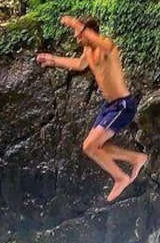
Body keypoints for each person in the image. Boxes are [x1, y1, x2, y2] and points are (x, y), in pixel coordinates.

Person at [36, 16, 148, 202]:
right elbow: (79, 65)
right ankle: (135, 159)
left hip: (122, 106)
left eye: (79, 35)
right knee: (96, 147)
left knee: (89, 146)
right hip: (109, 106)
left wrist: (76, 24)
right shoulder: (88, 51)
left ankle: (121, 177)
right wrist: (52, 59)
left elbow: (103, 44)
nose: (76, 38)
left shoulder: (107, 47)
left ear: (89, 32)